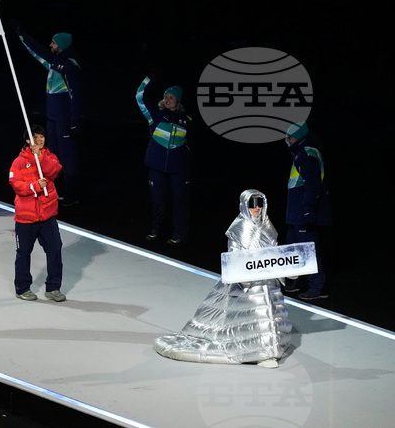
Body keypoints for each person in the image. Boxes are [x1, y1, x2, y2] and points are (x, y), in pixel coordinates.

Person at [154, 189, 291, 368]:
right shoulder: (239, 227)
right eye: (252, 204)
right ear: (244, 205)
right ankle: (263, 353)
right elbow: (233, 255)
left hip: (266, 280)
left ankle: (268, 350)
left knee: (268, 314)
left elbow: (275, 252)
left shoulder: (268, 226)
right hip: (247, 282)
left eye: (260, 204)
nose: (257, 208)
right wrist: (246, 274)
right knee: (255, 314)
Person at [9, 21, 82, 205]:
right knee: (52, 156)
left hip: (64, 120)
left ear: (62, 45)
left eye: (54, 43)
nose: (50, 45)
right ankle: (55, 191)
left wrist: (74, 121)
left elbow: (76, 95)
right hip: (52, 118)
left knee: (68, 158)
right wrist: (20, 32)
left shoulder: (70, 66)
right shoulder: (54, 62)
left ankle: (73, 195)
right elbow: (35, 50)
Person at [9, 125, 66, 302]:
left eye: (42, 136)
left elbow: (55, 171)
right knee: (23, 253)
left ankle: (53, 287)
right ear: (28, 141)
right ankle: (22, 288)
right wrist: (35, 186)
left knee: (55, 249)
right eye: (35, 137)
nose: (40, 140)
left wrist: (40, 157)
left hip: (47, 217)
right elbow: (15, 184)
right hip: (26, 219)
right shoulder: (19, 162)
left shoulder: (49, 157)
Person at [135, 74, 192, 246]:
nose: (167, 100)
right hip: (157, 166)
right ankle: (156, 230)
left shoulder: (187, 121)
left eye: (171, 97)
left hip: (178, 169)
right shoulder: (155, 115)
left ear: (178, 101)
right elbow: (140, 96)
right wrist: (149, 78)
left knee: (180, 202)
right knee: (158, 201)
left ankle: (179, 234)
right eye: (165, 97)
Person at [283, 122, 332, 300]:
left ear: (298, 136)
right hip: (296, 213)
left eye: (289, 137)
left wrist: (307, 209)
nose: (286, 141)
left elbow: (312, 185)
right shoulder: (300, 154)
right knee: (294, 248)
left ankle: (317, 287)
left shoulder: (308, 154)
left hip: (303, 213)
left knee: (307, 249)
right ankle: (299, 281)